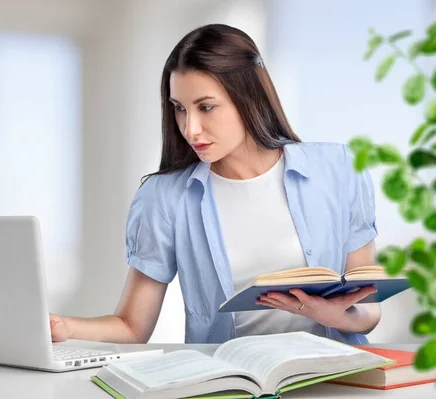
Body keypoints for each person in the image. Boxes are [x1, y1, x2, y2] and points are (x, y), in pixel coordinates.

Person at [50, 24, 380, 345]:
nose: (190, 128)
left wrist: (332, 315)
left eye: (206, 107)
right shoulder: (165, 198)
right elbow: (132, 327)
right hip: (231, 381)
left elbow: (368, 307)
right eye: (179, 109)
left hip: (334, 376)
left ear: (248, 97)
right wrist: (62, 326)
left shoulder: (340, 169)